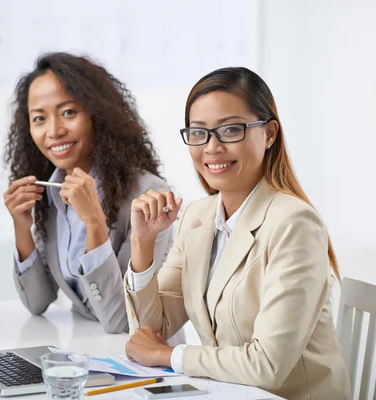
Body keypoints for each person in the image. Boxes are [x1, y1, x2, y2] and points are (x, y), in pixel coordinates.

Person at [123, 67, 351, 399]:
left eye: (231, 130)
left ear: (270, 133)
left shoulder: (295, 224)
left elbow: (267, 365)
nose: (212, 148)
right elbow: (151, 331)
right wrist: (142, 242)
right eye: (199, 133)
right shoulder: (198, 217)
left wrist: (168, 356)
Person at [2, 53, 174, 334]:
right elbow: (37, 302)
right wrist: (22, 228)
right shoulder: (52, 192)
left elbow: (120, 319)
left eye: (68, 112)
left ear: (98, 115)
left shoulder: (147, 194)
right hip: (86, 351)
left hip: (138, 359)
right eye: (39, 118)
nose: (54, 131)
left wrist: (95, 222)